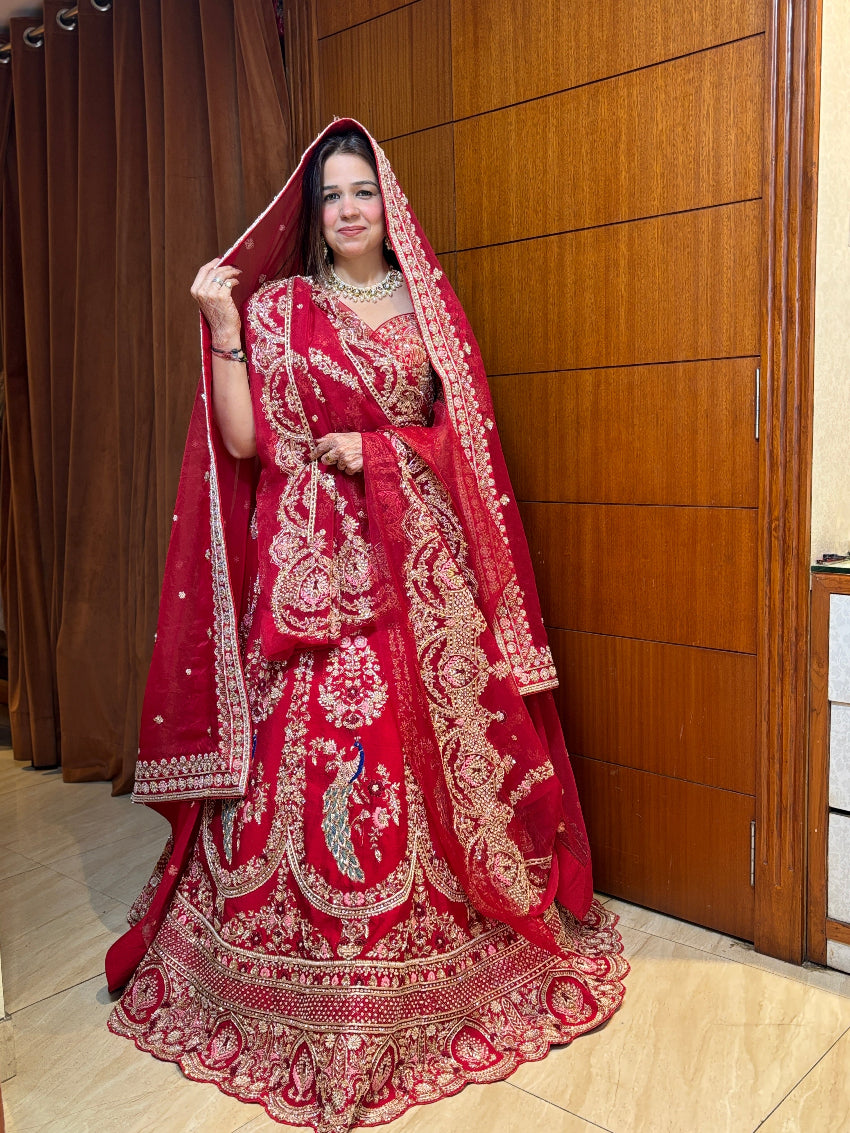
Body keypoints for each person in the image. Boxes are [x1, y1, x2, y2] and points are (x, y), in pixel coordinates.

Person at [106, 120, 627, 1133]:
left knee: (414, 763)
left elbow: (462, 450)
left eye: (364, 193)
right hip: (305, 583)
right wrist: (220, 332)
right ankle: (274, 966)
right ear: (312, 215)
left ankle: (416, 964)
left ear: (389, 206)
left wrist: (377, 451)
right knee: (288, 770)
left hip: (405, 576)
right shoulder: (275, 310)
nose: (349, 210)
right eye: (332, 197)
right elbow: (250, 442)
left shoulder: (426, 310)